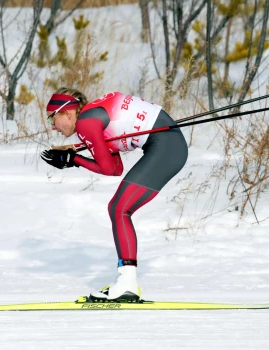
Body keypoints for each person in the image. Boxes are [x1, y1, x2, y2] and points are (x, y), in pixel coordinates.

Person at [41, 87, 188, 302]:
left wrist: (74, 160)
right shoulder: (94, 116)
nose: (53, 127)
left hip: (165, 147)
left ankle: (127, 284)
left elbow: (109, 170)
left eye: (52, 119)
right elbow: (116, 168)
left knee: (119, 209)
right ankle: (126, 282)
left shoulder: (86, 123)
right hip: (169, 145)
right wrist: (74, 158)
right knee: (119, 208)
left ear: (67, 112)